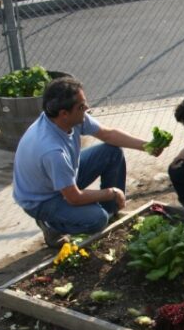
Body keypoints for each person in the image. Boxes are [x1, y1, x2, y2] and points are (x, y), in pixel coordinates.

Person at [12, 76, 164, 248]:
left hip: (59, 179)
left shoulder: (68, 119)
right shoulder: (53, 151)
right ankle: (50, 225)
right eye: (82, 106)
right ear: (64, 113)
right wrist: (111, 192)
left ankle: (110, 211)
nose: (87, 108)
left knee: (111, 151)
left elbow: (108, 135)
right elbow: (74, 198)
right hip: (42, 200)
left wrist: (147, 146)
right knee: (96, 220)